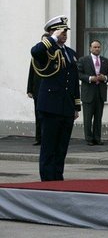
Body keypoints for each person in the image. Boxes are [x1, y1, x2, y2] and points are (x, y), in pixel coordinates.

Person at [30, 15, 81, 181]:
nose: (64, 34)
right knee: (49, 146)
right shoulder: (46, 50)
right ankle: (47, 179)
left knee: (61, 147)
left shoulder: (71, 53)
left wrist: (76, 106)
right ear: (52, 32)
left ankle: (58, 177)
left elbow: (74, 81)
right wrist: (52, 38)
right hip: (50, 105)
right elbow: (35, 51)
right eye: (61, 31)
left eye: (66, 31)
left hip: (66, 107)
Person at [77, 40, 108, 146]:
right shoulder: (83, 60)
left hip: (100, 93)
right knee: (88, 118)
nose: (97, 49)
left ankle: (97, 138)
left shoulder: (105, 61)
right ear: (90, 48)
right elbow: (78, 73)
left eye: (98, 47)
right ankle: (89, 139)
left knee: (98, 118)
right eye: (95, 47)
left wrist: (105, 77)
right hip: (88, 93)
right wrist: (89, 78)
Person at [27, 32, 50, 146]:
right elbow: (31, 73)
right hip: (38, 89)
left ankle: (47, 138)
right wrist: (29, 89)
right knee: (38, 115)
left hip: (50, 90)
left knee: (49, 116)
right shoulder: (35, 57)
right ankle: (38, 138)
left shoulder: (53, 55)